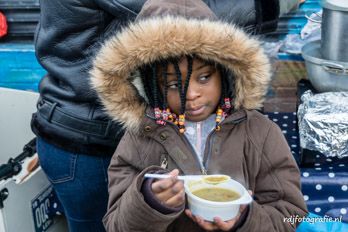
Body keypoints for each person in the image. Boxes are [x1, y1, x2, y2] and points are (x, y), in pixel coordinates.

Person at [31, 0, 301, 231]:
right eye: (173, 84)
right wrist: (149, 202)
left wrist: (246, 220)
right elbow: (115, 225)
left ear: (228, 70)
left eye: (204, 77)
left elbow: (293, 214)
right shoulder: (138, 140)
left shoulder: (260, 134)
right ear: (150, 86)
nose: (191, 94)